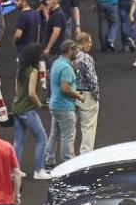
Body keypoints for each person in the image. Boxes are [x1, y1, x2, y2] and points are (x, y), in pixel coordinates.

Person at [44, 40, 82, 175]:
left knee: (54, 135)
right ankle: (68, 162)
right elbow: (65, 88)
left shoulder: (57, 63)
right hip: (65, 106)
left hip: (55, 104)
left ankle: (48, 161)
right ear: (70, 50)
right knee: (68, 136)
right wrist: (78, 96)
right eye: (75, 50)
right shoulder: (66, 68)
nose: (77, 53)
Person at [10, 50, 48, 174]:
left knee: (18, 141)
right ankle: (39, 170)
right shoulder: (33, 71)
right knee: (42, 139)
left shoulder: (21, 69)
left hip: (17, 108)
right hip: (27, 110)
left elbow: (17, 88)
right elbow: (31, 93)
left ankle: (15, 170)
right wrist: (39, 104)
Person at [72, 31, 103, 154]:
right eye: (89, 42)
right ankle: (85, 157)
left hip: (73, 94)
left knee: (71, 130)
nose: (91, 45)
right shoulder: (86, 58)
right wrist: (96, 95)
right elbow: (92, 79)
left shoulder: (71, 56)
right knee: (88, 128)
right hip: (87, 96)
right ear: (83, 43)